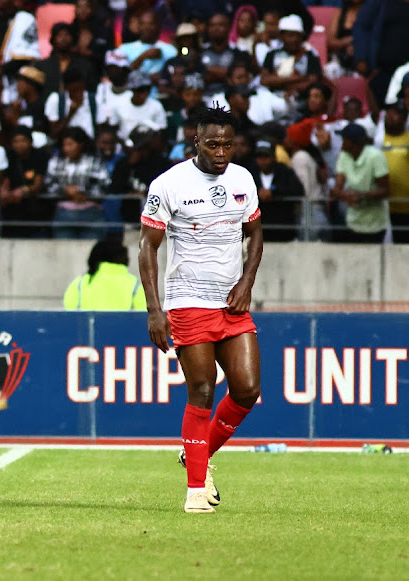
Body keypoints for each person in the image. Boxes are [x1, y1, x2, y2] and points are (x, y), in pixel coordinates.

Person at [137, 105, 263, 514]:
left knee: (246, 389)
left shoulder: (243, 179)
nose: (221, 151)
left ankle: (196, 451)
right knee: (203, 389)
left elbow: (256, 236)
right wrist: (155, 311)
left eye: (228, 144)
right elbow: (147, 248)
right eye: (213, 144)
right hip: (187, 301)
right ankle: (195, 490)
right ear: (196, 141)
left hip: (231, 301)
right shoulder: (168, 184)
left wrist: (246, 282)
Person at [45, 126, 110, 239]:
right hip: (64, 213)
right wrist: (65, 190)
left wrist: (82, 191)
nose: (67, 148)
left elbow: (105, 184)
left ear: (80, 144)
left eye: (70, 144)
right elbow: (48, 184)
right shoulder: (56, 161)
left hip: (91, 213)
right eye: (64, 145)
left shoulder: (94, 161)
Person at [331, 122, 390, 243]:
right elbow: (337, 188)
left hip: (375, 224)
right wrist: (345, 195)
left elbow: (385, 190)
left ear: (351, 142)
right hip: (353, 222)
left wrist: (361, 195)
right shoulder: (344, 155)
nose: (341, 142)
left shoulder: (375, 156)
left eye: (344, 139)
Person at [64, 236, 147, 310]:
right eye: (126, 255)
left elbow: (69, 316)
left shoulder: (79, 284)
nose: (129, 259)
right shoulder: (135, 286)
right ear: (120, 258)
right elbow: (144, 319)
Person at [251, 138, 305, 241]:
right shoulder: (250, 173)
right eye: (259, 157)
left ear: (273, 157)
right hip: (259, 233)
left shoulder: (284, 171)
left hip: (284, 232)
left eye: (266, 157)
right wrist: (257, 193)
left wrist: (274, 192)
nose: (263, 161)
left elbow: (298, 190)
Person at [380, 101, 409, 242]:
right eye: (389, 112)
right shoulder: (377, 138)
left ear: (404, 119)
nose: (390, 116)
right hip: (383, 206)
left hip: (406, 206)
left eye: (396, 113)